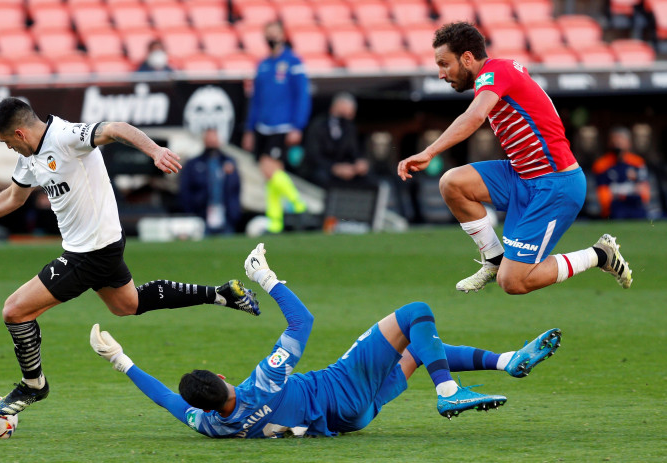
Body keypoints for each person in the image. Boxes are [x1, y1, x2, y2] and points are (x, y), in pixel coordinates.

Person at [0, 98, 260, 415]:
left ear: (19, 133)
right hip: (100, 247)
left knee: (15, 311)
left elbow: (116, 128)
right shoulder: (29, 157)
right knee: (126, 304)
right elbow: (14, 197)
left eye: (6, 141)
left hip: (89, 253)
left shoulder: (65, 137)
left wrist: (155, 151)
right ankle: (220, 295)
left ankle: (33, 384)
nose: (8, 148)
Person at [90, 243, 563, 437]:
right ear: (219, 377)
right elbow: (303, 325)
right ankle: (448, 392)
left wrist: (122, 361)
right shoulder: (264, 381)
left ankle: (508, 362)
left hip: (353, 420)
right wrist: (268, 279)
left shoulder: (213, 427)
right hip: (343, 387)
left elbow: (169, 402)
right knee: (417, 314)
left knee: (420, 348)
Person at [397, 22, 633, 294]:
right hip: (522, 174)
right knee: (452, 183)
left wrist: (429, 151)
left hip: (555, 183)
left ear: (467, 58)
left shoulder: (496, 71)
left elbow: (474, 116)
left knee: (513, 282)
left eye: (444, 63)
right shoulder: (495, 75)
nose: (440, 73)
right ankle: (494, 260)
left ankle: (600, 255)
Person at [241, 21, 310, 233]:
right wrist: (249, 128)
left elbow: (302, 96)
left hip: (283, 125)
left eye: (274, 33)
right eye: (267, 34)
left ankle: (298, 203)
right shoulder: (262, 65)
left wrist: (297, 126)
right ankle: (276, 220)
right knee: (271, 175)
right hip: (263, 126)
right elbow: (256, 100)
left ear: (282, 35)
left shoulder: (293, 62)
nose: (271, 38)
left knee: (269, 168)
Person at [178, 127, 242, 235]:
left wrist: (234, 210)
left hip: (225, 215)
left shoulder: (228, 161)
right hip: (201, 216)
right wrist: (191, 211)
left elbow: (236, 187)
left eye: (214, 138)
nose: (212, 142)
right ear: (204, 140)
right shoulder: (193, 164)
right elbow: (185, 189)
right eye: (209, 139)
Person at [302, 92, 371, 187]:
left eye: (349, 115)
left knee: (368, 179)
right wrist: (334, 168)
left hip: (343, 169)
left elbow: (353, 151)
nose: (345, 118)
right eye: (342, 113)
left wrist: (359, 162)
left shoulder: (350, 128)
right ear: (333, 109)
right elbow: (313, 155)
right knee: (322, 177)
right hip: (319, 169)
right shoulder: (318, 125)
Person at [593, 126, 651, 219]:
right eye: (614, 138)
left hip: (635, 205)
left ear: (628, 142)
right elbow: (603, 193)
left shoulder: (637, 162)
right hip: (614, 207)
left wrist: (621, 192)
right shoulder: (602, 164)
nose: (617, 142)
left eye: (621, 138)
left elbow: (643, 191)